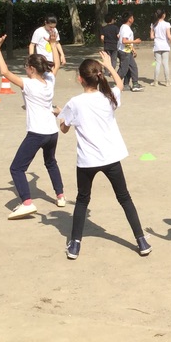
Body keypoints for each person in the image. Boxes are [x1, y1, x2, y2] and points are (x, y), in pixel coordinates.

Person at [58, 54, 151, 259]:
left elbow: (64, 129)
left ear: (80, 79)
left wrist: (61, 117)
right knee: (124, 198)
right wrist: (109, 66)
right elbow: (120, 85)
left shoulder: (75, 102)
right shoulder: (109, 96)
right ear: (99, 76)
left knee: (82, 200)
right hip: (110, 158)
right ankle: (141, 240)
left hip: (87, 161)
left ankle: (75, 244)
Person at [0, 35, 67, 219]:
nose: (24, 70)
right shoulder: (49, 80)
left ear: (32, 69)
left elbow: (4, 72)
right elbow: (57, 63)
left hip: (37, 133)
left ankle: (27, 202)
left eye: (26, 67)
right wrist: (53, 44)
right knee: (51, 162)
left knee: (17, 168)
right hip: (52, 132)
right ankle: (60, 195)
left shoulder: (28, 84)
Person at [150, 8, 171, 86]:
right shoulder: (167, 24)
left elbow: (151, 37)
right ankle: (167, 81)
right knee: (165, 64)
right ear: (163, 15)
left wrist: (156, 34)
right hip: (165, 46)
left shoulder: (153, 24)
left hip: (157, 46)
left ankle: (155, 81)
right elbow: (169, 36)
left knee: (157, 64)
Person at [117, 13, 144, 92]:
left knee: (132, 67)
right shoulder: (126, 28)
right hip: (125, 52)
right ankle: (117, 82)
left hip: (126, 50)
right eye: (132, 17)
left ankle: (129, 84)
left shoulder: (123, 27)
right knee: (124, 69)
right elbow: (124, 41)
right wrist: (135, 41)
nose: (133, 19)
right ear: (129, 19)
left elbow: (119, 37)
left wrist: (132, 48)